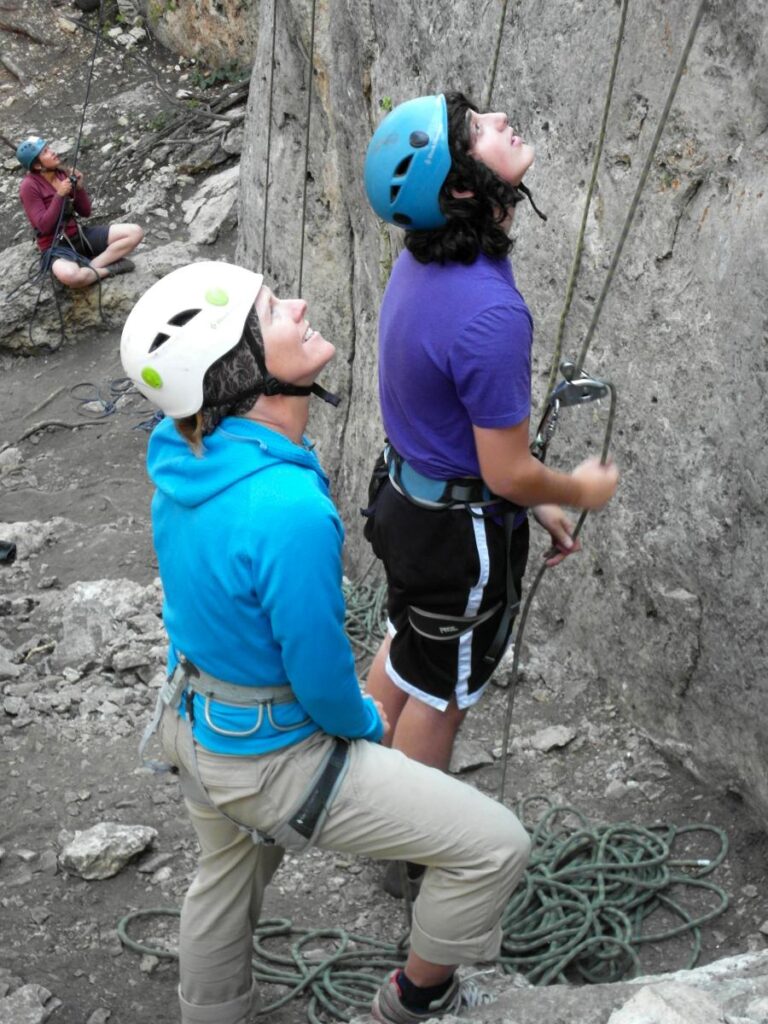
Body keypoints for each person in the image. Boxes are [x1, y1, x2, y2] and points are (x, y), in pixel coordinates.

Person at [120, 260, 532, 1024]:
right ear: (240, 369)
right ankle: (409, 1003)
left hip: (196, 722)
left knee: (226, 873)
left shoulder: (183, 459)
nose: (301, 306)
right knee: (494, 845)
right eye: (275, 310)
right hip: (270, 755)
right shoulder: (285, 507)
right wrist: (368, 729)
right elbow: (319, 677)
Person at [362, 93, 619, 897]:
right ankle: (414, 854)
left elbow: (466, 439)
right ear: (466, 187)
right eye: (476, 130)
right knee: (443, 694)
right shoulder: (489, 311)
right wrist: (572, 486)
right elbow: (505, 470)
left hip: (406, 499)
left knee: (413, 637)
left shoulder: (425, 261)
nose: (502, 120)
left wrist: (525, 500)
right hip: (456, 531)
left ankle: (357, 781)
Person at [16, 135, 143, 288]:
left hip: (79, 236)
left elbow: (85, 212)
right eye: (45, 152)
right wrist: (60, 195)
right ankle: (109, 269)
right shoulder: (29, 187)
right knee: (71, 276)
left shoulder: (61, 174)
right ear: (37, 166)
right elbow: (44, 226)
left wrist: (80, 188)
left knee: (135, 232)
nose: (53, 152)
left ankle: (92, 266)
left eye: (49, 148)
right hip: (56, 247)